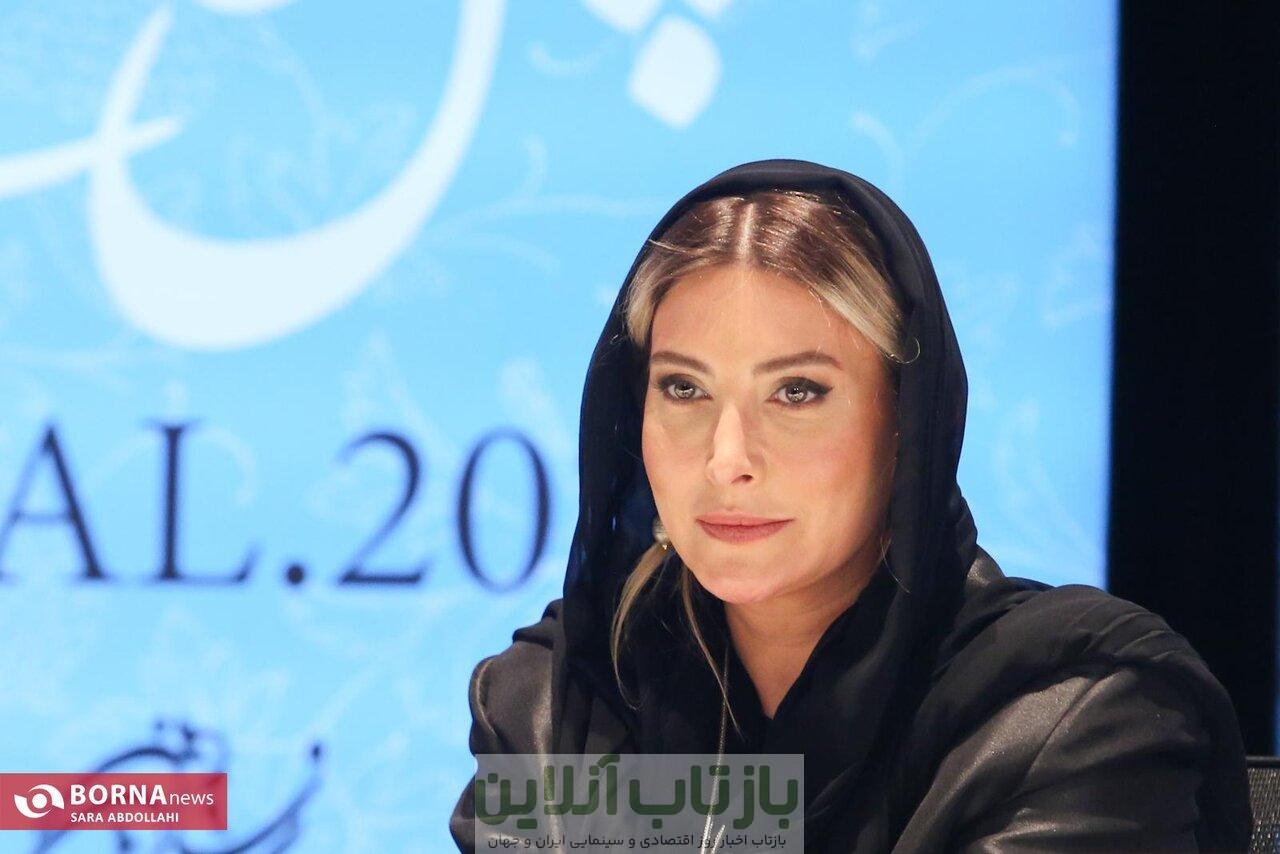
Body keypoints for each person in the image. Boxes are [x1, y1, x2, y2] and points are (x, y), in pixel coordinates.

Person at [448, 158, 1253, 851]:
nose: (727, 460)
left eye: (797, 391)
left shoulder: (1071, 717)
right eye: (684, 388)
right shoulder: (556, 714)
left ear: (906, 422)